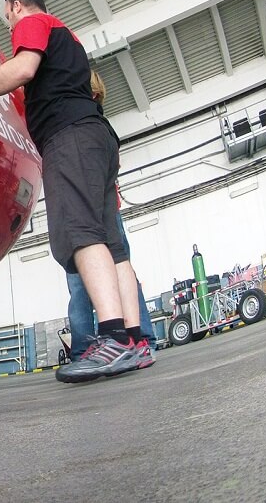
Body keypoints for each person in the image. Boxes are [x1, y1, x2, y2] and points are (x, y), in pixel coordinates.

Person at [0, 0, 145, 383]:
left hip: (69, 137)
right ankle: (135, 342)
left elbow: (23, 70)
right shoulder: (68, 38)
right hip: (97, 136)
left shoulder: (33, 22)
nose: (11, 27)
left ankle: (113, 339)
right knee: (113, 246)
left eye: (8, 19)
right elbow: (43, 80)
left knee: (80, 234)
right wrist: (2, 70)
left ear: (16, 6)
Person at [67, 72, 155, 368]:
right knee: (113, 269)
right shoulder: (100, 126)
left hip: (94, 210)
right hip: (99, 208)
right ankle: (136, 340)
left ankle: (97, 346)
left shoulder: (85, 123)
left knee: (91, 276)